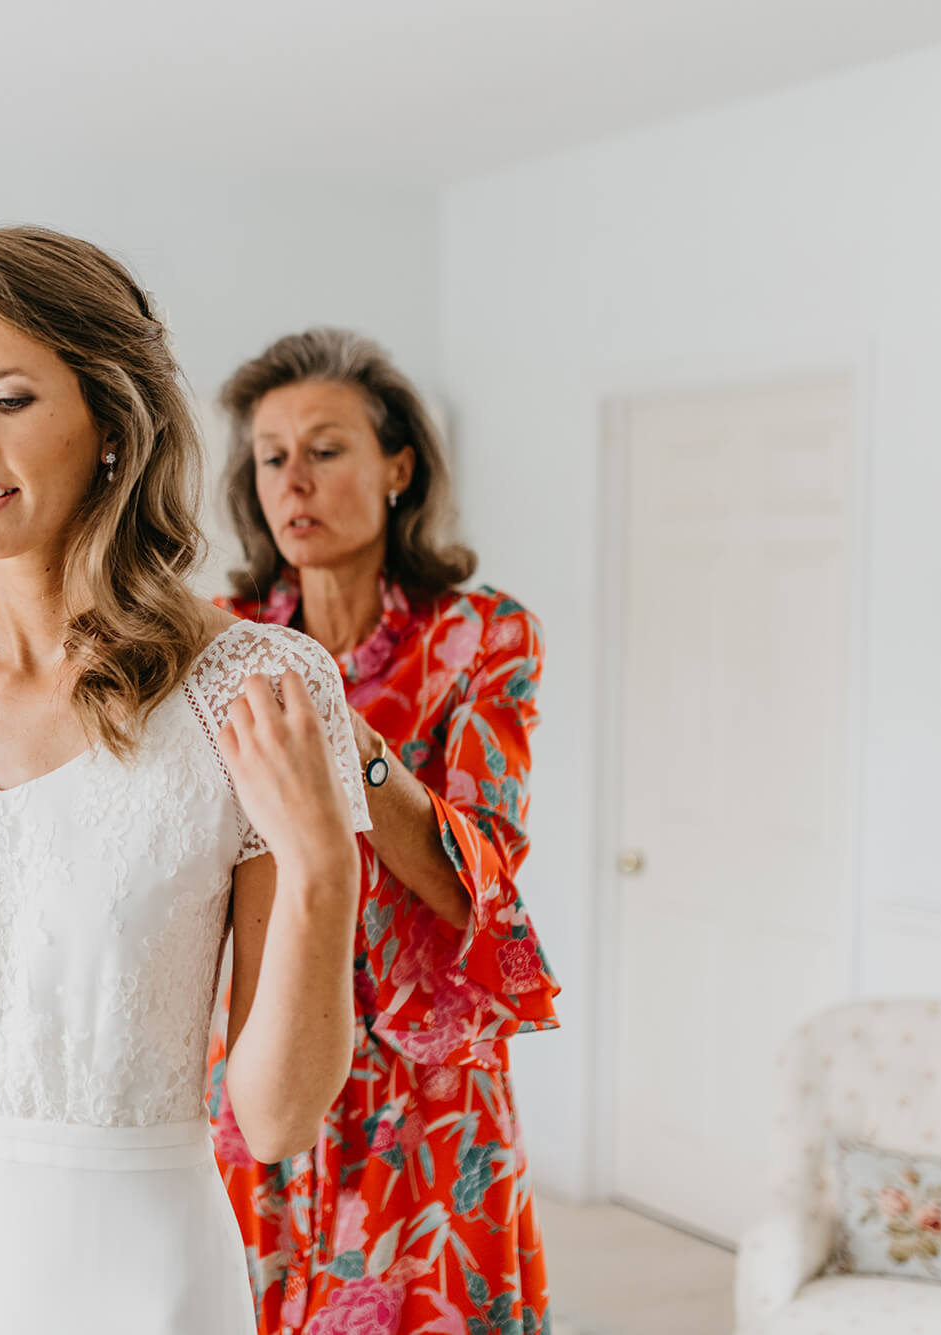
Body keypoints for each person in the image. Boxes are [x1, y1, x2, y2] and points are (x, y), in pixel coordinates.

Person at [0, 227, 372, 1335]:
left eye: (7, 398)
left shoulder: (250, 687)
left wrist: (324, 869)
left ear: (111, 425)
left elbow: (277, 1120)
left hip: (138, 1274)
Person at [204, 328, 560, 1335]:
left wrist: (353, 742)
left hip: (425, 1083)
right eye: (271, 456)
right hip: (266, 1052)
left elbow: (477, 883)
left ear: (398, 467)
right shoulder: (222, 639)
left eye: (325, 449)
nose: (293, 480)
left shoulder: (483, 635)